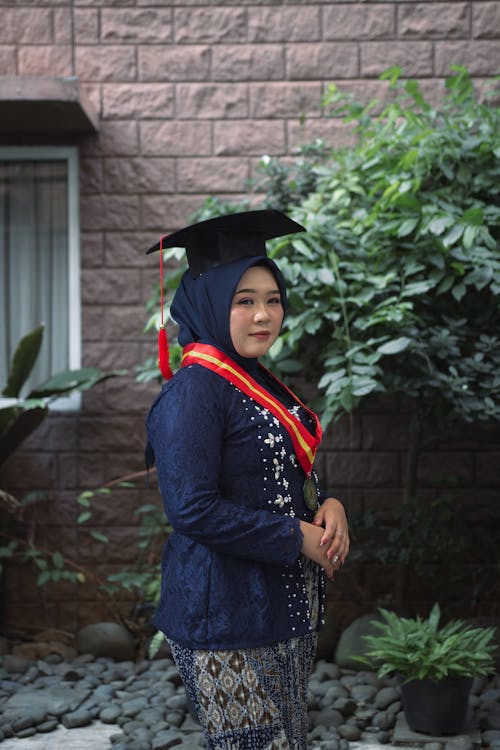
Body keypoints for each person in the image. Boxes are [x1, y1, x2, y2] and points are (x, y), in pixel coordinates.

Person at [145, 209, 350, 750]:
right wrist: (296, 536)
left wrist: (327, 504)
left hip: (282, 606)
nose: (264, 315)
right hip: (223, 617)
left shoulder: (257, 379)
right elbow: (191, 509)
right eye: (244, 300)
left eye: (272, 298)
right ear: (209, 302)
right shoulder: (196, 390)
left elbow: (276, 470)